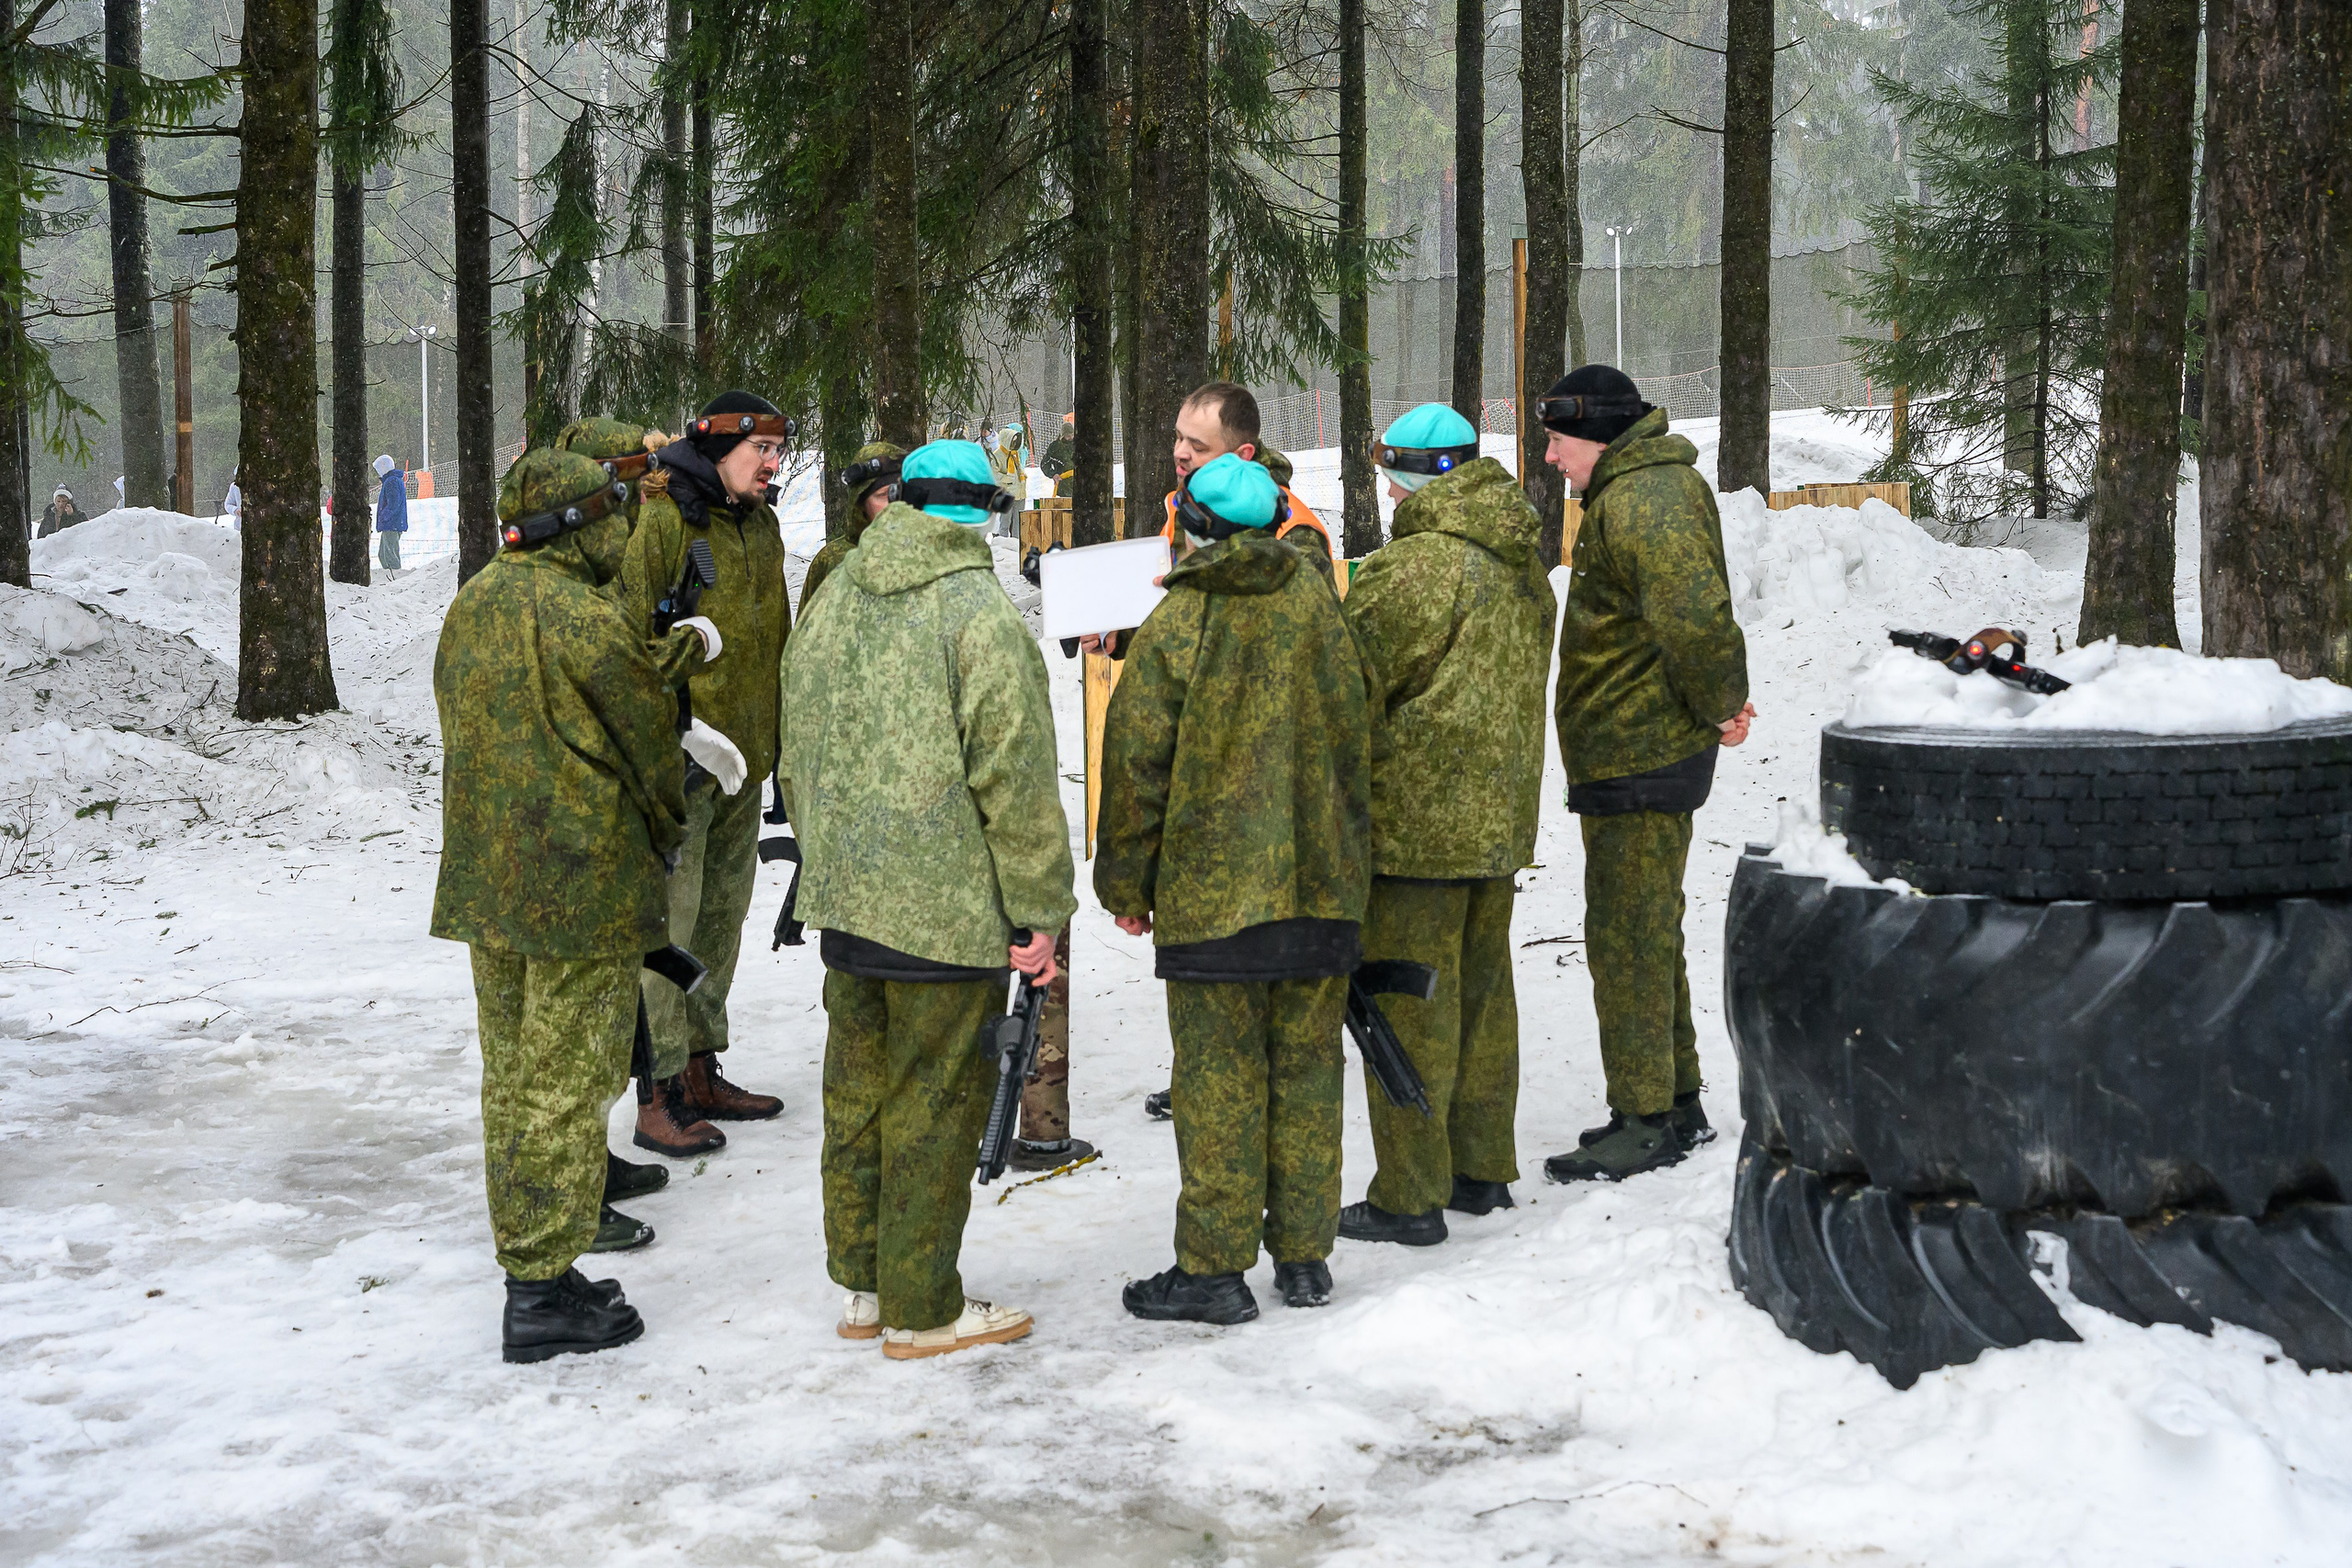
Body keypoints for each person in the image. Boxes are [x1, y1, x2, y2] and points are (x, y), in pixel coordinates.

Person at [430, 446, 732, 1361]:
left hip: (492, 886)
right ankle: (540, 1288)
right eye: (614, 511)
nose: (627, 526)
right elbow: (648, 740)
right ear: (581, 521)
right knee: (566, 1085)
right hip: (579, 889)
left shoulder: (474, 603)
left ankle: (533, 1263)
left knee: (514, 1079)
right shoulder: (582, 618)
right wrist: (666, 817)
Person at [779, 438, 1075, 1359]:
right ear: (984, 508)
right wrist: (1041, 911)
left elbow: (798, 739)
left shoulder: (834, 597)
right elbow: (1016, 781)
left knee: (858, 1097)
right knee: (933, 1106)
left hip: (846, 898)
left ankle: (867, 1284)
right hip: (944, 912)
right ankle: (922, 1306)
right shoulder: (977, 615)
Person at [1095, 453, 1373, 1324]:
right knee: (1308, 1069)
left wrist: (1124, 884)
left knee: (1218, 1079)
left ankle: (1213, 1267)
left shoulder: (1179, 622)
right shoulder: (1322, 609)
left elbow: (1137, 765)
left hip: (1215, 899)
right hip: (1321, 890)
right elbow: (1359, 741)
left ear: (1198, 527)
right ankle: (1304, 1255)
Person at [1329, 403, 1555, 1246]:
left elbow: (1351, 683)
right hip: (1498, 819)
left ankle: (1409, 1194)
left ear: (1412, 477)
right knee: (1485, 994)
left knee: (1410, 1005)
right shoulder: (1520, 562)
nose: (1385, 488)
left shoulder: (1413, 570)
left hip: (1416, 829)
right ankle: (1480, 1165)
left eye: (1390, 472)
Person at [1539, 364, 1754, 1183]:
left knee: (1626, 936)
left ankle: (1645, 1117)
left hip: (1642, 748)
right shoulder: (1637, 490)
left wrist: (1723, 702)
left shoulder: (1645, 499)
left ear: (1596, 434)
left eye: (1559, 440)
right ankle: (1676, 1098)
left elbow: (1697, 620)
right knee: (1646, 925)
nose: (1552, 457)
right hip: (1635, 746)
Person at [616, 391, 797, 1156]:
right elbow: (627, 643)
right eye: (763, 449)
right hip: (685, 766)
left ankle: (699, 1063)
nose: (774, 464)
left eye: (780, 451)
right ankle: (655, 1089)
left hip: (745, 763)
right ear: (720, 445)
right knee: (672, 930)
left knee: (721, 922)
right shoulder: (665, 522)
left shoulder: (762, 526)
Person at [801, 440, 904, 615]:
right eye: (882, 495)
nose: (892, 504)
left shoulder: (923, 553)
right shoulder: (832, 560)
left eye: (900, 492)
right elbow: (805, 635)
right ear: (861, 503)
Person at [373, 455, 408, 571]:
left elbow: (393, 503)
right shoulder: (392, 480)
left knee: (390, 555)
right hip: (392, 523)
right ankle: (390, 575)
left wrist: (384, 517)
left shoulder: (391, 481)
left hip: (392, 524)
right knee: (383, 554)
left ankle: (395, 577)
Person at [1040, 412, 1076, 494]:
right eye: (1068, 436)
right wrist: (1053, 474)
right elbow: (1045, 464)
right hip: (1063, 485)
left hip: (1080, 484)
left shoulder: (1078, 445)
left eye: (1072, 435)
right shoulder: (1055, 447)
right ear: (1063, 436)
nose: (1071, 438)